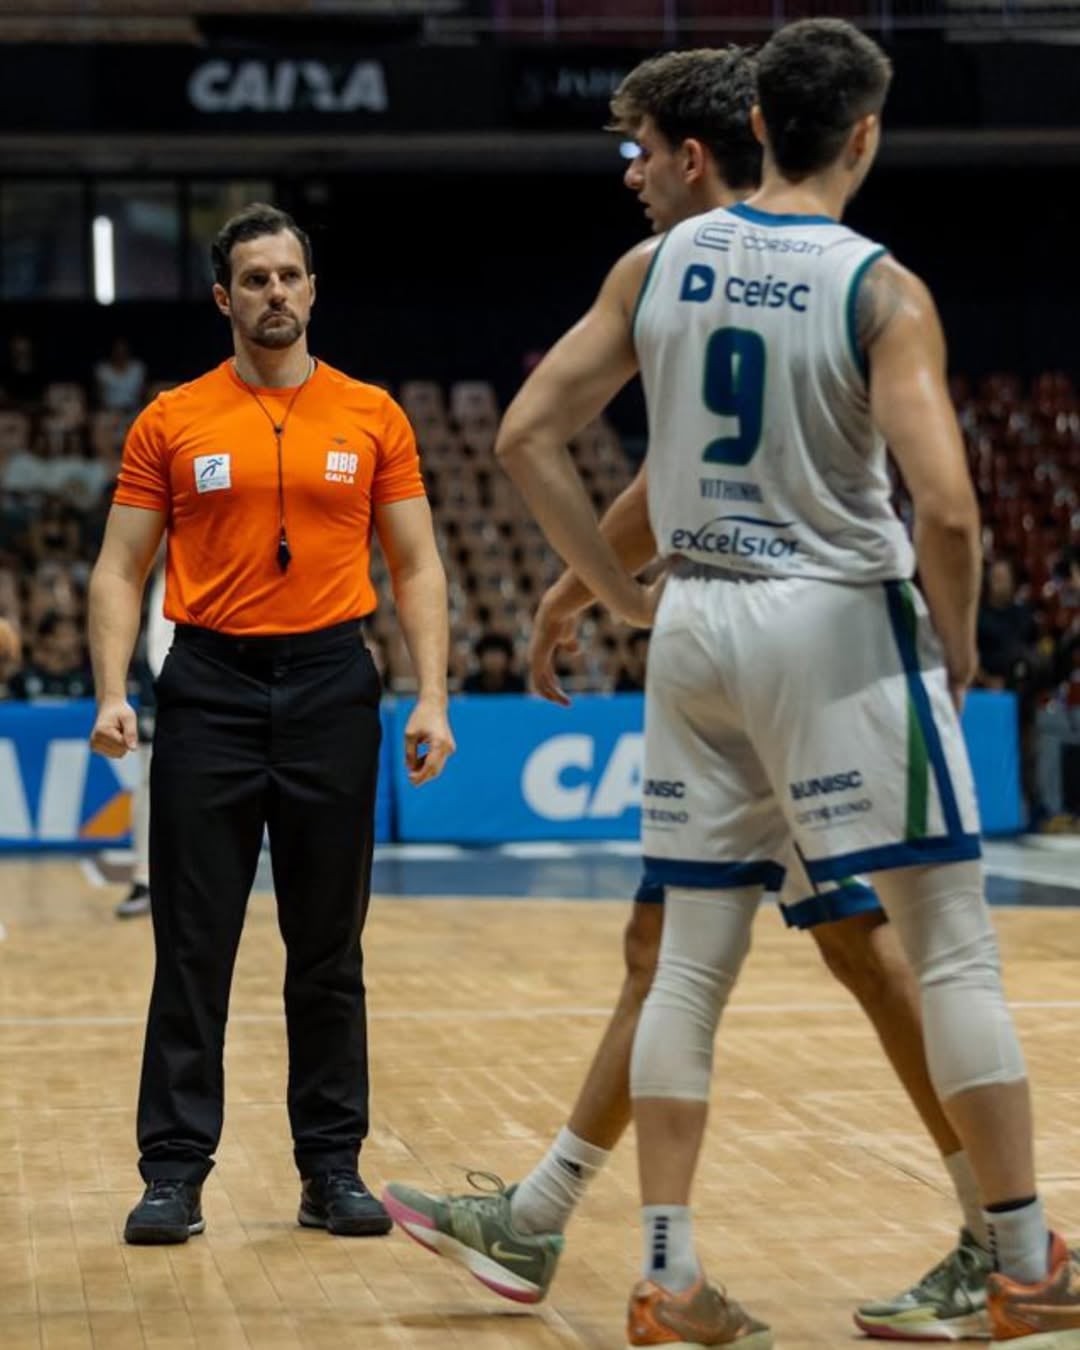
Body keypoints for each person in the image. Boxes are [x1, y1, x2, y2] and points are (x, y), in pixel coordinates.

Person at [476, 22, 1080, 1347]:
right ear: (860, 135)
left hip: (695, 624)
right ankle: (1027, 1252)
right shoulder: (881, 287)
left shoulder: (657, 261)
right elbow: (952, 513)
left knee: (687, 960)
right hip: (838, 624)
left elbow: (527, 435)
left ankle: (667, 1271)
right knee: (950, 941)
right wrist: (965, 643)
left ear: (755, 131)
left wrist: (611, 589)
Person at [87, 203, 455, 1246]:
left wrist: (431, 694)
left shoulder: (372, 414)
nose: (276, 294)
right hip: (207, 687)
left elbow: (419, 565)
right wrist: (114, 689)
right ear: (223, 298)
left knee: (327, 950)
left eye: (290, 275)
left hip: (334, 683)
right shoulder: (171, 419)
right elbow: (119, 568)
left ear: (313, 289)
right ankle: (173, 1174)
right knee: (192, 943)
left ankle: (331, 1169)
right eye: (255, 279)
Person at [115, 557, 171, 920]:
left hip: (216, 682)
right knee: (151, 780)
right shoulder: (145, 571)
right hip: (161, 683)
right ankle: (144, 878)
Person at [461, 631, 526, 694]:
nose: (493, 660)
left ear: (508, 659)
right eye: (490, 655)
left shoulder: (517, 685)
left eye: (497, 655)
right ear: (480, 658)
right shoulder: (470, 684)